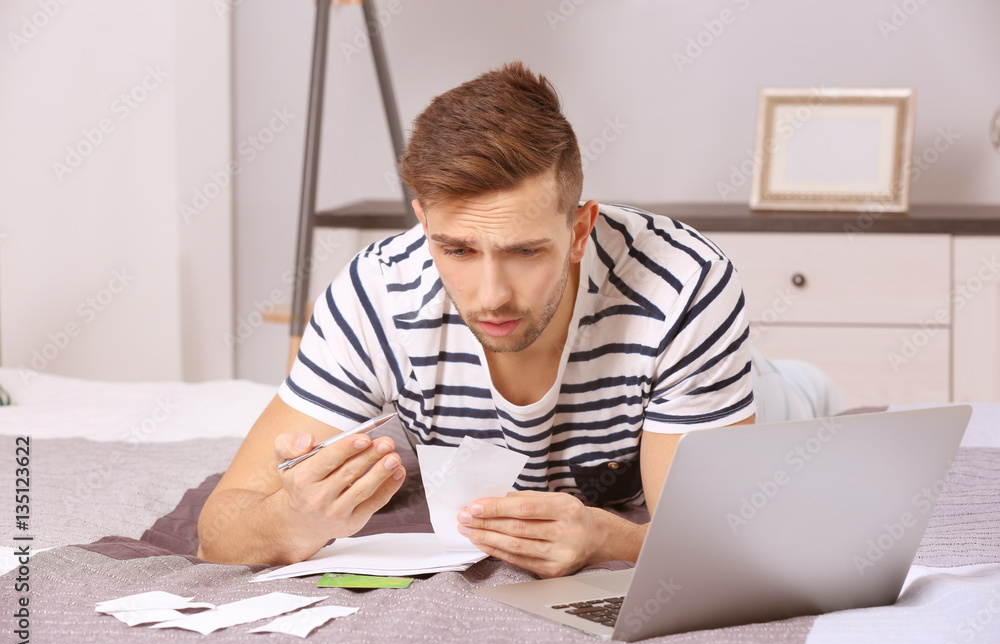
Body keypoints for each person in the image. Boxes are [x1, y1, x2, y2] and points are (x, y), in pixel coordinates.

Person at [197, 62, 755, 578]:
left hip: (720, 387)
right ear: (422, 222)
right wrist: (295, 518)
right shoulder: (377, 295)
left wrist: (607, 539)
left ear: (580, 231)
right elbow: (217, 535)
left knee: (795, 412)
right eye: (458, 250)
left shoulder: (686, 285)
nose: (491, 297)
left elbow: (717, 543)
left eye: (526, 252)